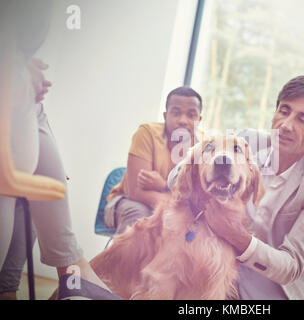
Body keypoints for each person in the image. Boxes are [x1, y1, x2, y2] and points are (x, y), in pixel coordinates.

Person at [193, 75, 304, 299]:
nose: (286, 125)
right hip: (225, 271)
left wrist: (235, 236)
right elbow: (180, 174)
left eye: (302, 119)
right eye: (284, 111)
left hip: (283, 289)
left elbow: (291, 266)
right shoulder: (245, 142)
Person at [0, 0, 112, 299]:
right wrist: (14, 69)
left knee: (44, 190)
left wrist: (20, 68)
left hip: (23, 96)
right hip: (11, 88)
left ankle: (71, 276)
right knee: (17, 191)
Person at [104, 86, 203, 235]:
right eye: (176, 113)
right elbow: (136, 193)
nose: (183, 120)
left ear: (199, 120)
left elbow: (199, 200)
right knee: (140, 215)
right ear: (165, 115)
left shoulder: (205, 146)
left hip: (169, 206)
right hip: (127, 202)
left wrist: (164, 186)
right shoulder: (146, 133)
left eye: (191, 115)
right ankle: (122, 258)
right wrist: (181, 202)